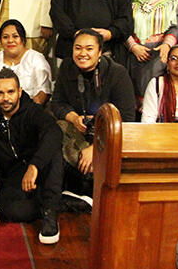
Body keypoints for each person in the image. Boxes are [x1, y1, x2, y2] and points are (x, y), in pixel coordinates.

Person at [0, 68, 62, 244]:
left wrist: (35, 166)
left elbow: (54, 132)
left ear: (19, 92)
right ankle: (60, 200)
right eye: (0, 93)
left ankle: (50, 212)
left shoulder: (32, 111)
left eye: (10, 92)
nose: (6, 98)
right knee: (14, 212)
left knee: (53, 150)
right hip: (11, 174)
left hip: (38, 169)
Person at [51, 29, 135, 199]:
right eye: (78, 48)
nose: (83, 53)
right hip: (78, 132)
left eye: (89, 49)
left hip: (108, 137)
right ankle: (57, 195)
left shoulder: (117, 73)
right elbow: (57, 103)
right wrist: (73, 117)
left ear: (100, 52)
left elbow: (126, 119)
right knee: (54, 130)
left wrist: (96, 148)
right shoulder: (67, 67)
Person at [127, 0, 178, 98]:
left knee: (155, 94)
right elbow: (122, 25)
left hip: (159, 53)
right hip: (134, 52)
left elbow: (176, 26)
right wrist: (133, 46)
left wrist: (166, 45)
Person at [0, 20, 52, 105]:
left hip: (29, 109)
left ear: (23, 39)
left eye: (15, 36)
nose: (10, 40)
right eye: (5, 37)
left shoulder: (36, 59)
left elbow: (43, 92)